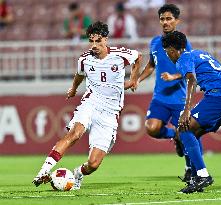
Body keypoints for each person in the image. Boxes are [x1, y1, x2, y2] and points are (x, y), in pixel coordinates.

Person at [33, 21, 142, 190]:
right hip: (91, 103)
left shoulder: (120, 55)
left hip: (110, 112)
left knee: (94, 164)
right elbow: (79, 74)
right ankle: (43, 171)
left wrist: (134, 79)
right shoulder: (84, 59)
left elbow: (138, 57)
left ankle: (78, 173)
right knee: (74, 134)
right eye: (91, 41)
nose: (94, 45)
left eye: (98, 41)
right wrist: (74, 88)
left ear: (106, 39)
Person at [130, 4, 202, 183]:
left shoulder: (183, 42)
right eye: (162, 19)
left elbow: (190, 69)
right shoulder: (155, 42)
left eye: (169, 18)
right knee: (151, 128)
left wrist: (174, 76)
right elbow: (152, 65)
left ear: (177, 21)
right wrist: (138, 79)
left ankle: (191, 168)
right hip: (160, 98)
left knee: (187, 132)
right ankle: (174, 136)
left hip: (179, 99)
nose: (165, 22)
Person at [161, 31, 221, 193]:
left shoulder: (182, 58)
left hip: (218, 96)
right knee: (191, 134)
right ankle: (194, 176)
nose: (168, 56)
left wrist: (186, 110)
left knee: (184, 127)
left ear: (173, 49)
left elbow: (191, 79)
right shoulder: (202, 54)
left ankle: (202, 176)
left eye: (167, 51)